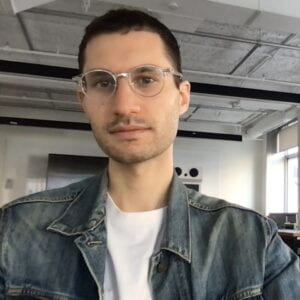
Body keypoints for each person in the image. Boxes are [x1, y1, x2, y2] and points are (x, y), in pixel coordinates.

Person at [0, 8, 299, 300]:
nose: (124, 105)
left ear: (181, 97)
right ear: (84, 99)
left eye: (146, 79)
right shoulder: (16, 230)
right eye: (103, 83)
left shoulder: (252, 241)